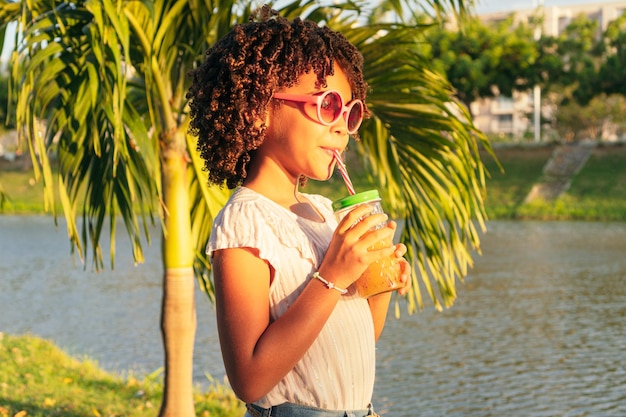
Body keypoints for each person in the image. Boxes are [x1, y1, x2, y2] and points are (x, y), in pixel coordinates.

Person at [186, 6, 411, 417]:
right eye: (328, 105)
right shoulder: (245, 223)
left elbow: (356, 341)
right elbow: (249, 379)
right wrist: (333, 276)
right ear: (258, 111)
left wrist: (376, 285)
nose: (343, 126)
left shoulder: (324, 212)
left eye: (351, 112)